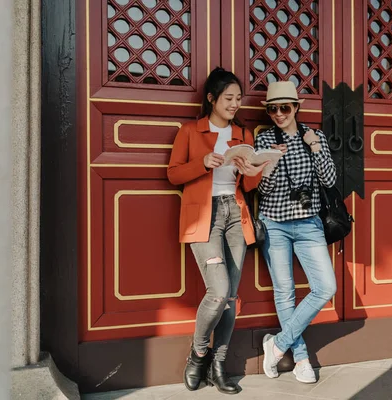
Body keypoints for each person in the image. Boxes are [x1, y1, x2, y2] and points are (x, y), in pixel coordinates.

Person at [167, 67, 267, 395]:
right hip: (204, 216)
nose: (235, 103)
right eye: (228, 98)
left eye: (238, 98)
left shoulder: (244, 133)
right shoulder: (189, 132)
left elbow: (250, 185)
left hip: (235, 215)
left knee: (232, 297)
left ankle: (218, 364)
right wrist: (203, 163)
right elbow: (173, 175)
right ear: (211, 99)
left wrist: (253, 169)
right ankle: (198, 355)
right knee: (219, 290)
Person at [255, 81, 337, 384]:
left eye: (284, 108)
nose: (278, 113)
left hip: (309, 225)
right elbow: (262, 189)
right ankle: (300, 357)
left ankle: (276, 345)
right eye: (272, 108)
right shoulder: (264, 140)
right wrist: (272, 162)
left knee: (326, 288)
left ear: (296, 108)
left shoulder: (315, 136)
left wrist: (314, 145)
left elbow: (329, 179)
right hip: (275, 224)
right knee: (284, 292)